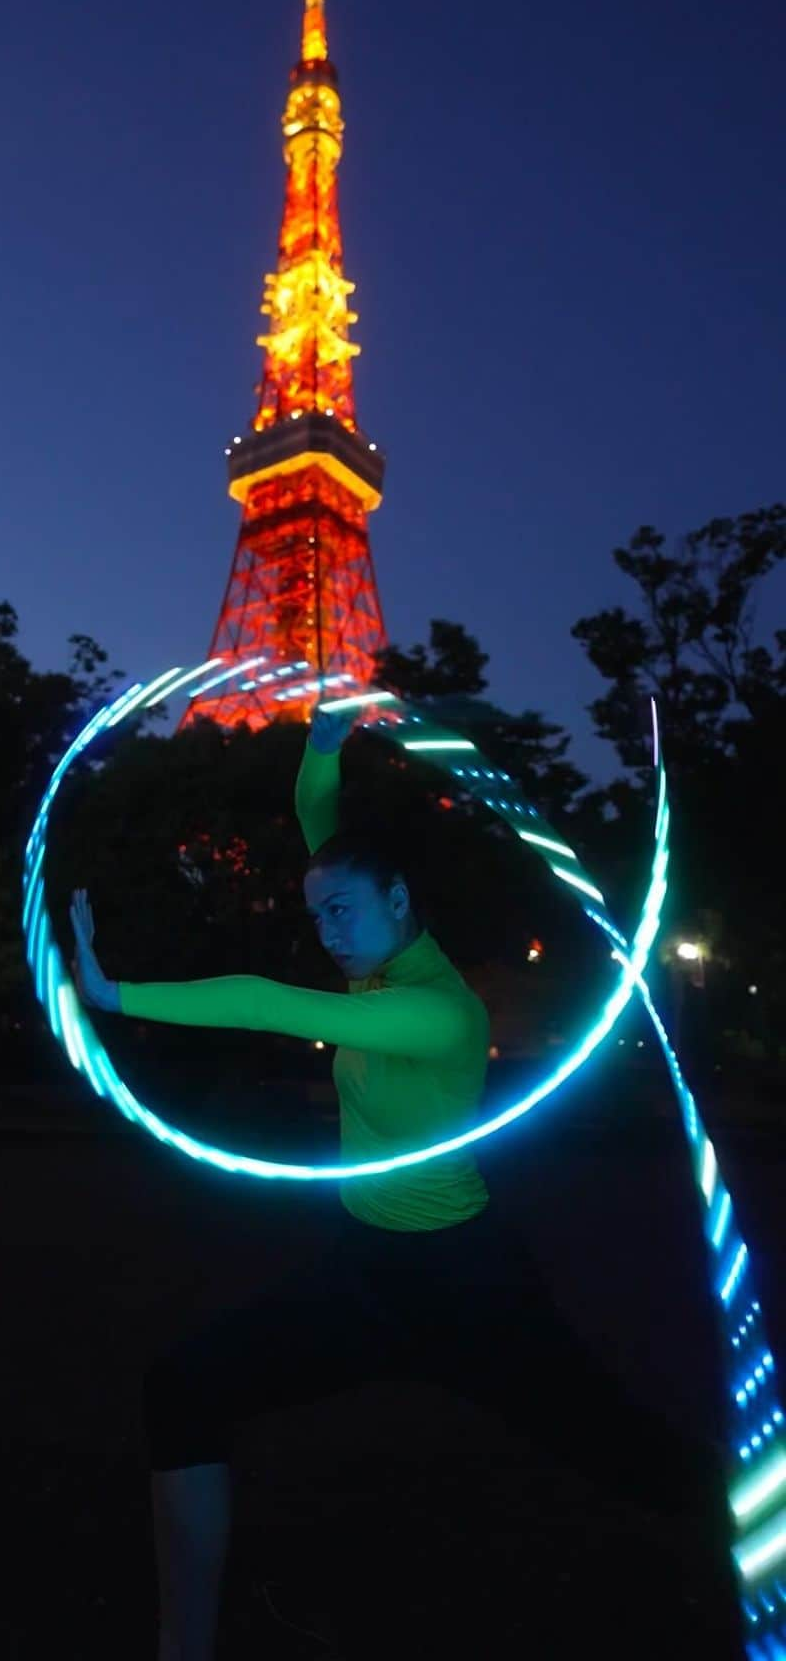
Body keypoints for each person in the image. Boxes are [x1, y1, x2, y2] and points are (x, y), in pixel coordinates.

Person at [68, 704, 739, 1661]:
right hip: (366, 1269)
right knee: (181, 1387)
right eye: (316, 914)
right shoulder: (370, 955)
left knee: (633, 1457)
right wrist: (327, 746)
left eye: (342, 910)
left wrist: (113, 995)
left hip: (468, 1288)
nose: (328, 931)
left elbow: (262, 1001)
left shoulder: (438, 1012)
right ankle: (185, 1646)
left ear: (399, 898)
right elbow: (318, 823)